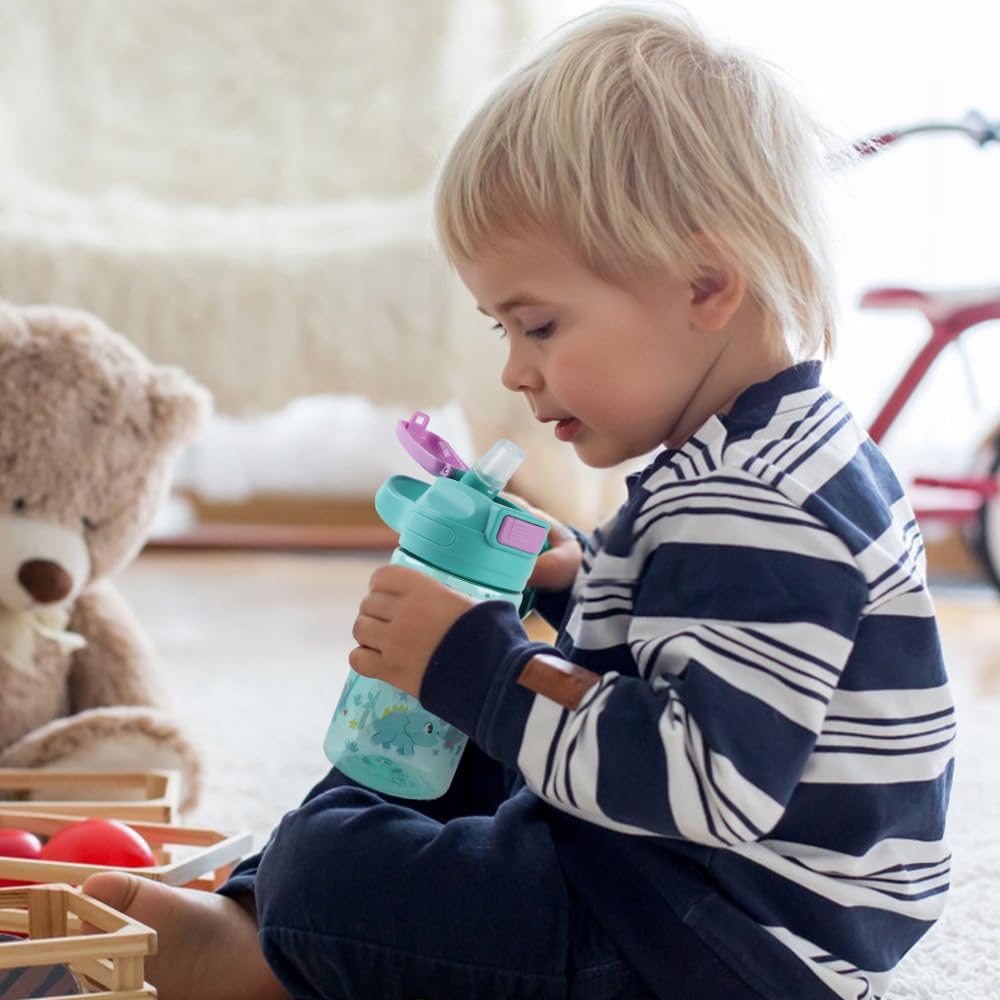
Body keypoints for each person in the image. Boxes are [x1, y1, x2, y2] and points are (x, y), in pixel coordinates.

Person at [83, 4, 955, 998]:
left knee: (341, 866)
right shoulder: (762, 451)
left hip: (717, 947)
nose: (515, 371)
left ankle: (276, 941)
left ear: (707, 282)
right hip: (684, 886)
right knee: (418, 748)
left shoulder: (753, 507)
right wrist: (581, 571)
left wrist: (481, 666)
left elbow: (708, 780)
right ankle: (263, 915)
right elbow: (697, 638)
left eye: (537, 324)